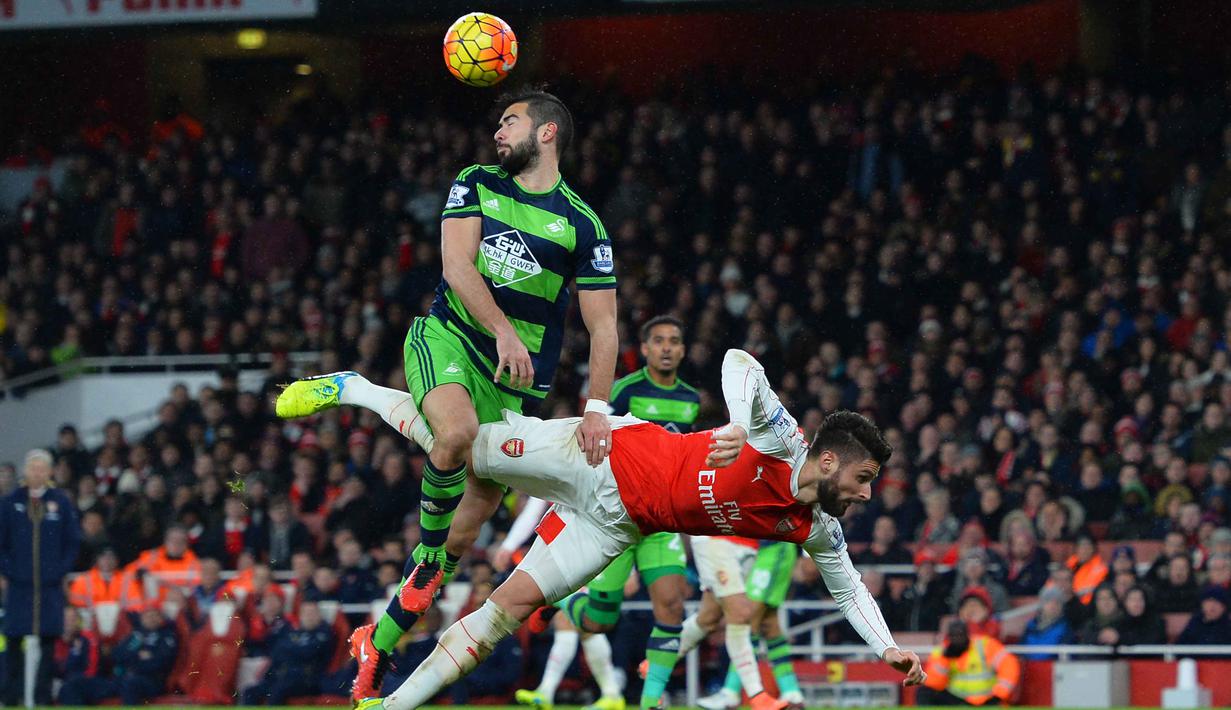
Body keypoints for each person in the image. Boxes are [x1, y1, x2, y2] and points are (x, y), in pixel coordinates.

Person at [301, 349, 925, 710]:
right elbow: (741, 361)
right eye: (864, 476)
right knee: (457, 444)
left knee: (503, 614)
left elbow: (851, 589)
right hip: (601, 455)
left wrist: (886, 647)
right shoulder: (779, 439)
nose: (867, 493)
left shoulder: (817, 527)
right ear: (827, 460)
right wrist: (736, 423)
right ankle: (357, 389)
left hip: (617, 526)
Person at [277, 89, 619, 702]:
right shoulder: (476, 182)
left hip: (512, 384)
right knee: (454, 439)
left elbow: (604, 327)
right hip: (450, 339)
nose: (497, 132)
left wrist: (596, 407)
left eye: (509, 122)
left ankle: (375, 645)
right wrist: (504, 331)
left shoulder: (583, 223)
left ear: (546, 134)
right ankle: (421, 539)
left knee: (463, 540)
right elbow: (457, 266)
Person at [515, 315, 700, 710]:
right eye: (659, 341)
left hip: (663, 521)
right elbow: (595, 440)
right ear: (646, 349)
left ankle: (650, 702)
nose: (667, 347)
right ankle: (559, 602)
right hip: (619, 515)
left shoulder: (691, 398)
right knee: (600, 620)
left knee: (671, 606)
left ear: (682, 350)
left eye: (674, 341)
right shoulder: (624, 390)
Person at [0, 449, 80, 705]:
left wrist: (60, 570)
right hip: (19, 586)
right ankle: (12, 696)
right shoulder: (11, 502)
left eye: (42, 468)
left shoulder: (61, 502)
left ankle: (42, 697)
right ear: (26, 471)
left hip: (49, 586)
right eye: (33, 468)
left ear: (50, 472)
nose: (37, 473)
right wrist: (9, 570)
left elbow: (72, 541)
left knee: (48, 641)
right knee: (14, 640)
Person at [241, 600, 335, 705]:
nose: (309, 617)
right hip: (283, 676)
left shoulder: (323, 633)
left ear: (319, 616)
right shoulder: (293, 632)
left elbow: (308, 653)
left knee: (277, 691)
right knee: (250, 691)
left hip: (308, 679)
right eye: (305, 613)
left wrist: (291, 649)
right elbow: (277, 651)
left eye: (312, 613)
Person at [918, 620, 1020, 706]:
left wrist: (999, 695)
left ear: (967, 634)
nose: (957, 639)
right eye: (954, 636)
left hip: (986, 699)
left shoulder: (984, 645)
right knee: (924, 692)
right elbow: (933, 683)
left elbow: (1010, 665)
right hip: (957, 698)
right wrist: (945, 659)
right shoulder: (942, 651)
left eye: (960, 635)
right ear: (948, 637)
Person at [67, 546, 142, 610]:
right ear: (97, 559)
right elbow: (75, 607)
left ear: (117, 560)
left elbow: (136, 606)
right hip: (90, 622)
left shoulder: (128, 581)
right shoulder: (82, 581)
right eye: (103, 556)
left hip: (120, 622)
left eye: (111, 557)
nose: (107, 560)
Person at [1021, 587, 1073, 660]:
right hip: (1029, 667)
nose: (1053, 606)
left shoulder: (1066, 628)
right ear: (1042, 604)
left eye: (1057, 602)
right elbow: (1021, 650)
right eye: (1048, 601)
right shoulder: (1030, 626)